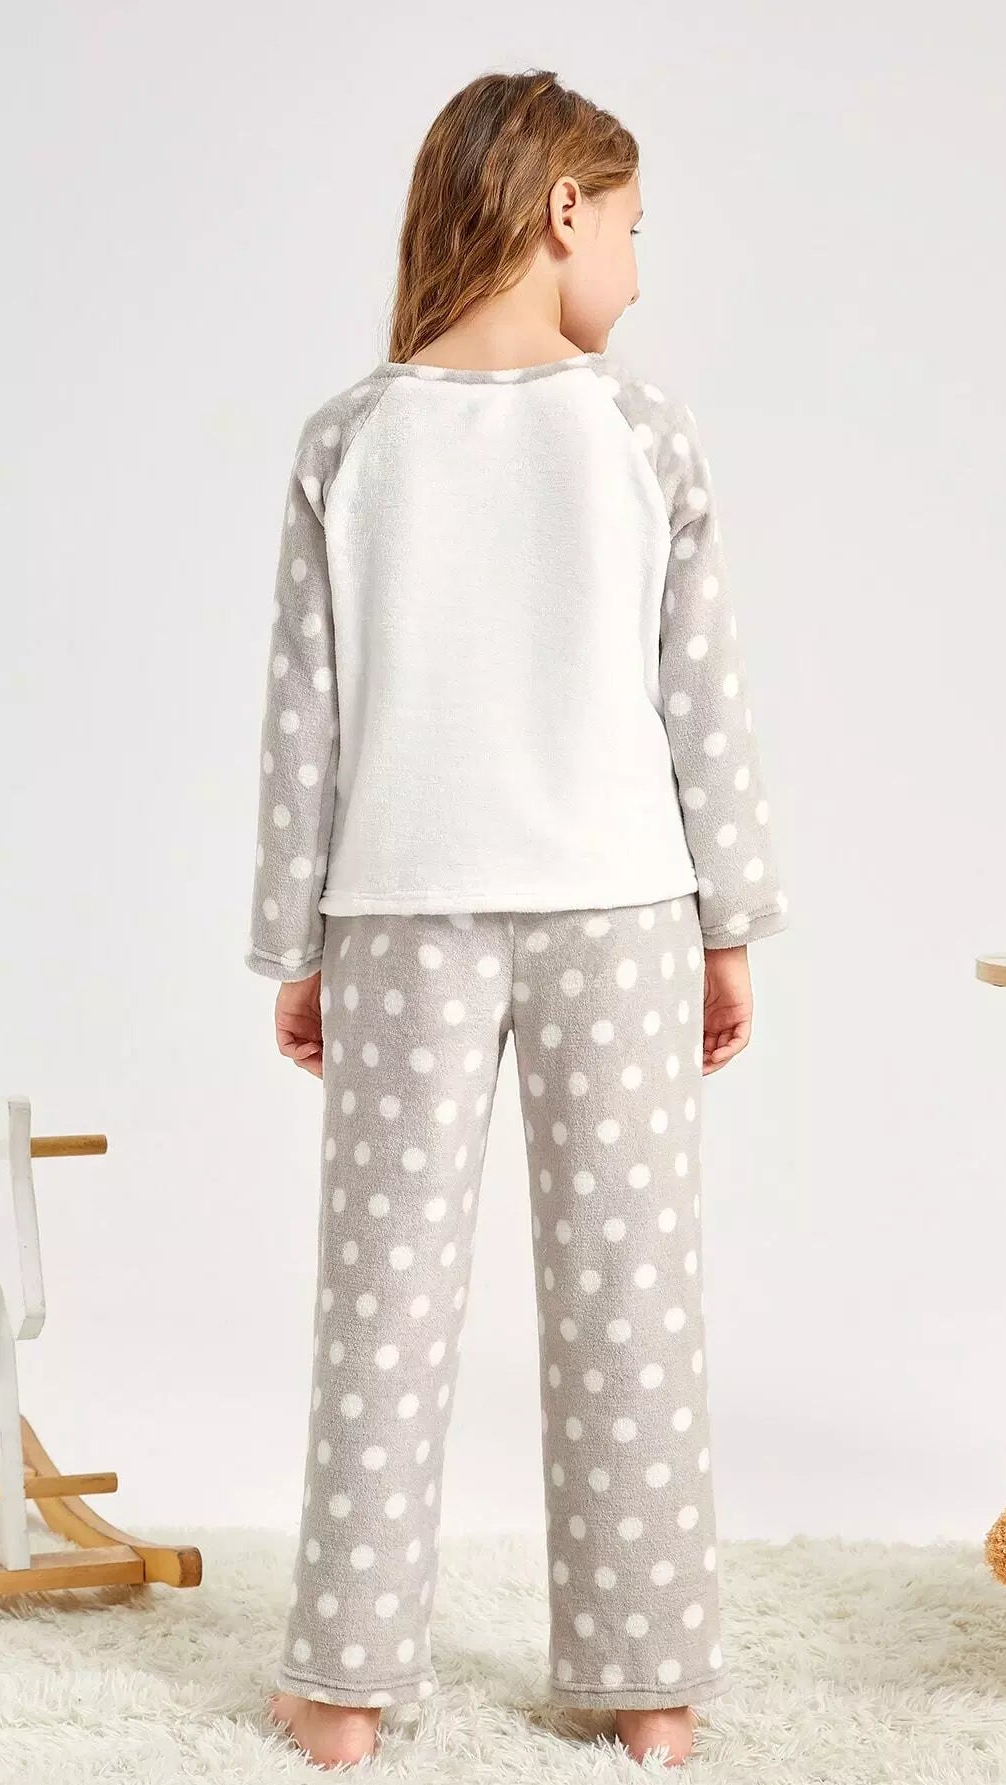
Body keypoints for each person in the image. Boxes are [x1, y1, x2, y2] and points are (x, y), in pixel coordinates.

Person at [244, 66, 787, 1771]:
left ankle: (343, 1685)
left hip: (398, 910)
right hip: (620, 909)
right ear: (564, 213)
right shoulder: (641, 433)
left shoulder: (348, 436)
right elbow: (703, 703)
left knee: (379, 1301)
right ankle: (652, 1688)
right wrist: (728, 924)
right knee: (634, 1294)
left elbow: (304, 723)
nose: (636, 264)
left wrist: (297, 943)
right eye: (631, 226)